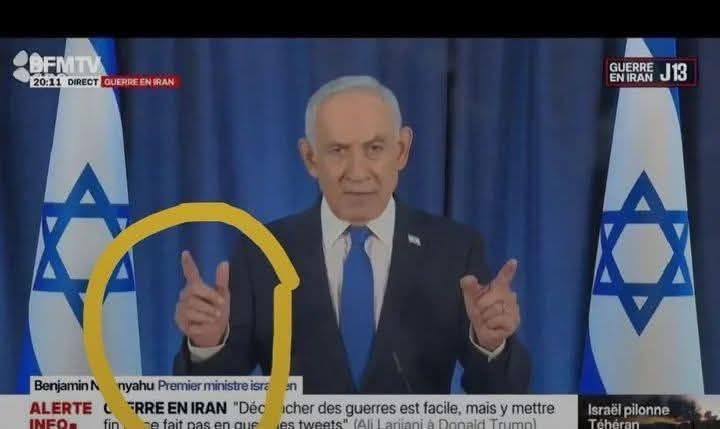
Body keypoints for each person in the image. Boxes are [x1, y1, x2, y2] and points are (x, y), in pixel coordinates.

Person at [173, 75, 531, 394]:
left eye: (374, 149)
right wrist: (207, 344)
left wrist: (491, 344)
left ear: (401, 150)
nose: (357, 172)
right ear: (310, 158)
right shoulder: (263, 252)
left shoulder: (454, 250)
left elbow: (502, 398)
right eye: (337, 151)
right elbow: (211, 400)